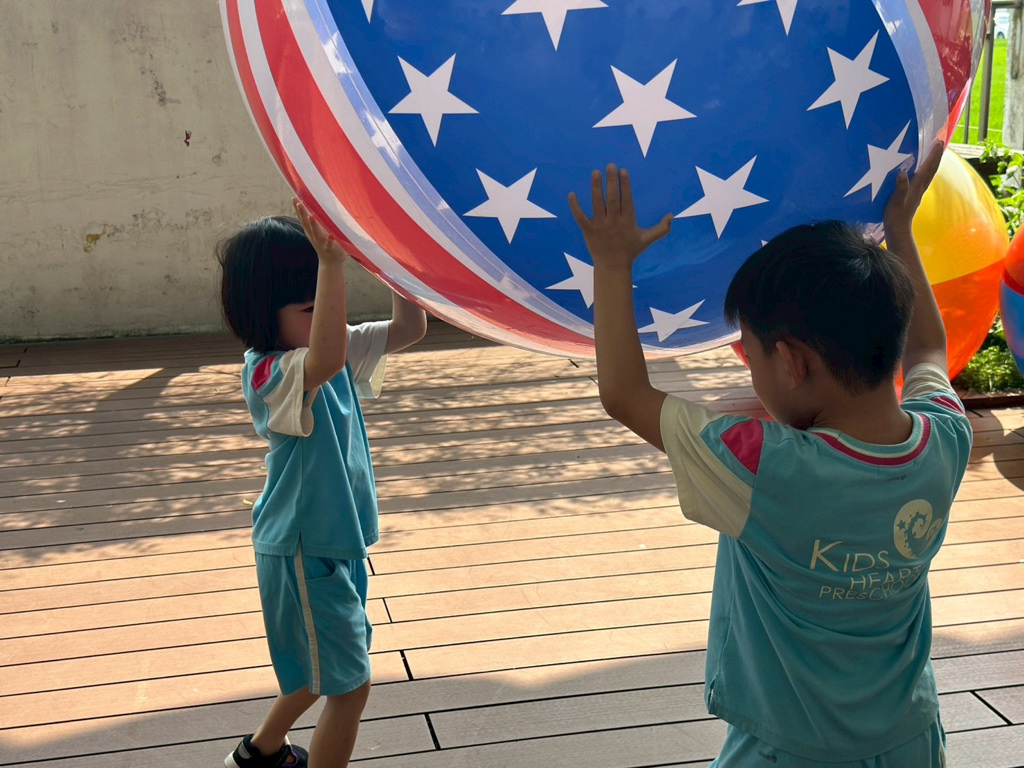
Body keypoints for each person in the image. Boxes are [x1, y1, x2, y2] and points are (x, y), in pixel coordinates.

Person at [568, 143, 971, 767]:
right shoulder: (944, 437)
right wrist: (899, 230)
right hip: (909, 741)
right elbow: (928, 353)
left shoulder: (764, 467)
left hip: (787, 752)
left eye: (751, 358)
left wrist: (611, 263)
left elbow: (623, 394)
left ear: (790, 362)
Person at [217, 200, 427, 768]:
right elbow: (329, 357)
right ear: (263, 314)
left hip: (337, 542)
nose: (329, 315)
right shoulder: (271, 371)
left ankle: (259, 753)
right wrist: (332, 265)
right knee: (349, 686)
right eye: (313, 307)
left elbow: (409, 329)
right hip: (303, 549)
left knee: (322, 671)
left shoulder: (322, 348)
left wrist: (395, 260)